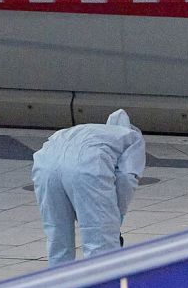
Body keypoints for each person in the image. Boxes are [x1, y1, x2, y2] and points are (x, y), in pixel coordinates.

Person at [32, 109, 146, 266]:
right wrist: (116, 215)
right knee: (100, 245)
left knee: (57, 239)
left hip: (45, 165)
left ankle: (58, 285)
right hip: (86, 166)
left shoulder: (92, 131)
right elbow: (127, 177)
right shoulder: (132, 138)